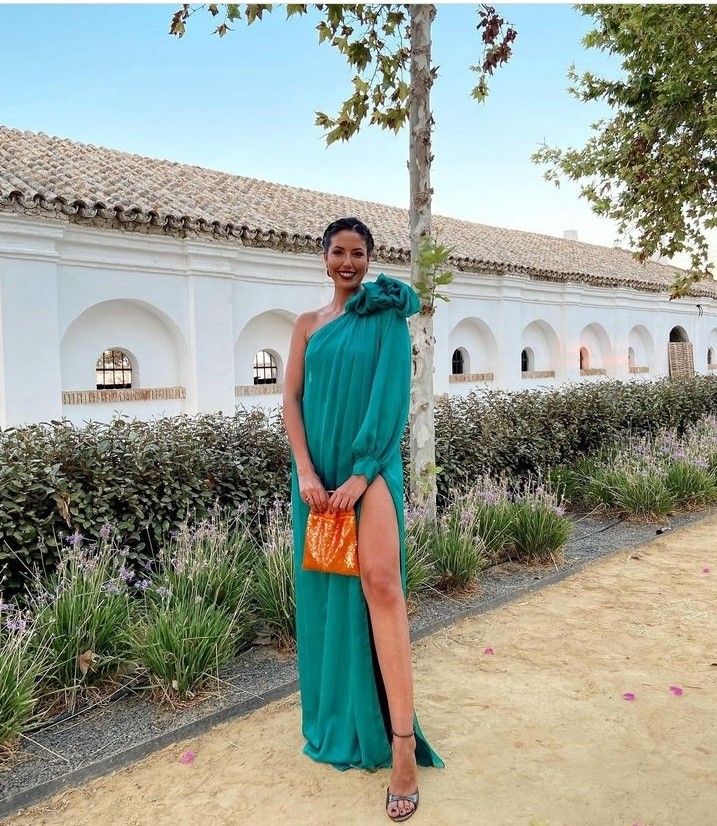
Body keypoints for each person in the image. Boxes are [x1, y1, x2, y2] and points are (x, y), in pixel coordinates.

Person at [282, 217, 444, 822]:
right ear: (323, 257)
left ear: (370, 258)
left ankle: (401, 745)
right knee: (330, 592)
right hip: (317, 477)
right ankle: (344, 717)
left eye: (358, 253)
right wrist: (306, 472)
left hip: (370, 469)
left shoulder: (385, 316)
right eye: (338, 252)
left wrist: (361, 472)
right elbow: (291, 400)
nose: (348, 262)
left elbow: (392, 398)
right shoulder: (306, 325)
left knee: (382, 585)